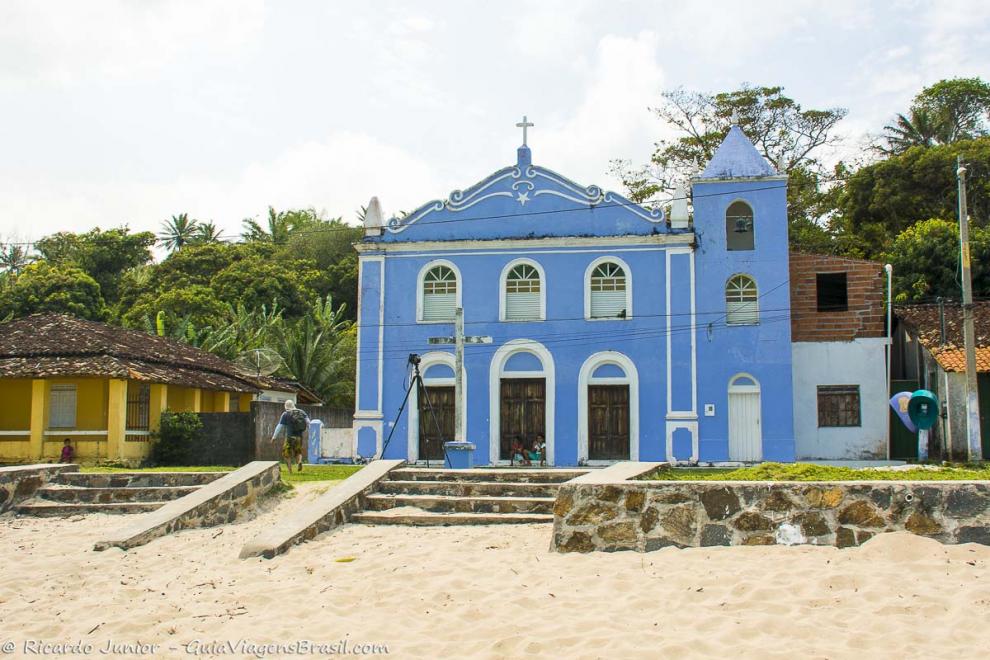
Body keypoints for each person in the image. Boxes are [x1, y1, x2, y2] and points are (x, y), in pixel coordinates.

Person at [271, 400, 309, 473]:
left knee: (286, 454)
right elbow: (308, 422)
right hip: (299, 437)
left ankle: (290, 470)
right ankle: (300, 462)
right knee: (298, 451)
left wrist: (274, 437)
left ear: (286, 406)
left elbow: (280, 426)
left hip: (289, 437)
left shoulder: (285, 414)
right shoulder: (301, 412)